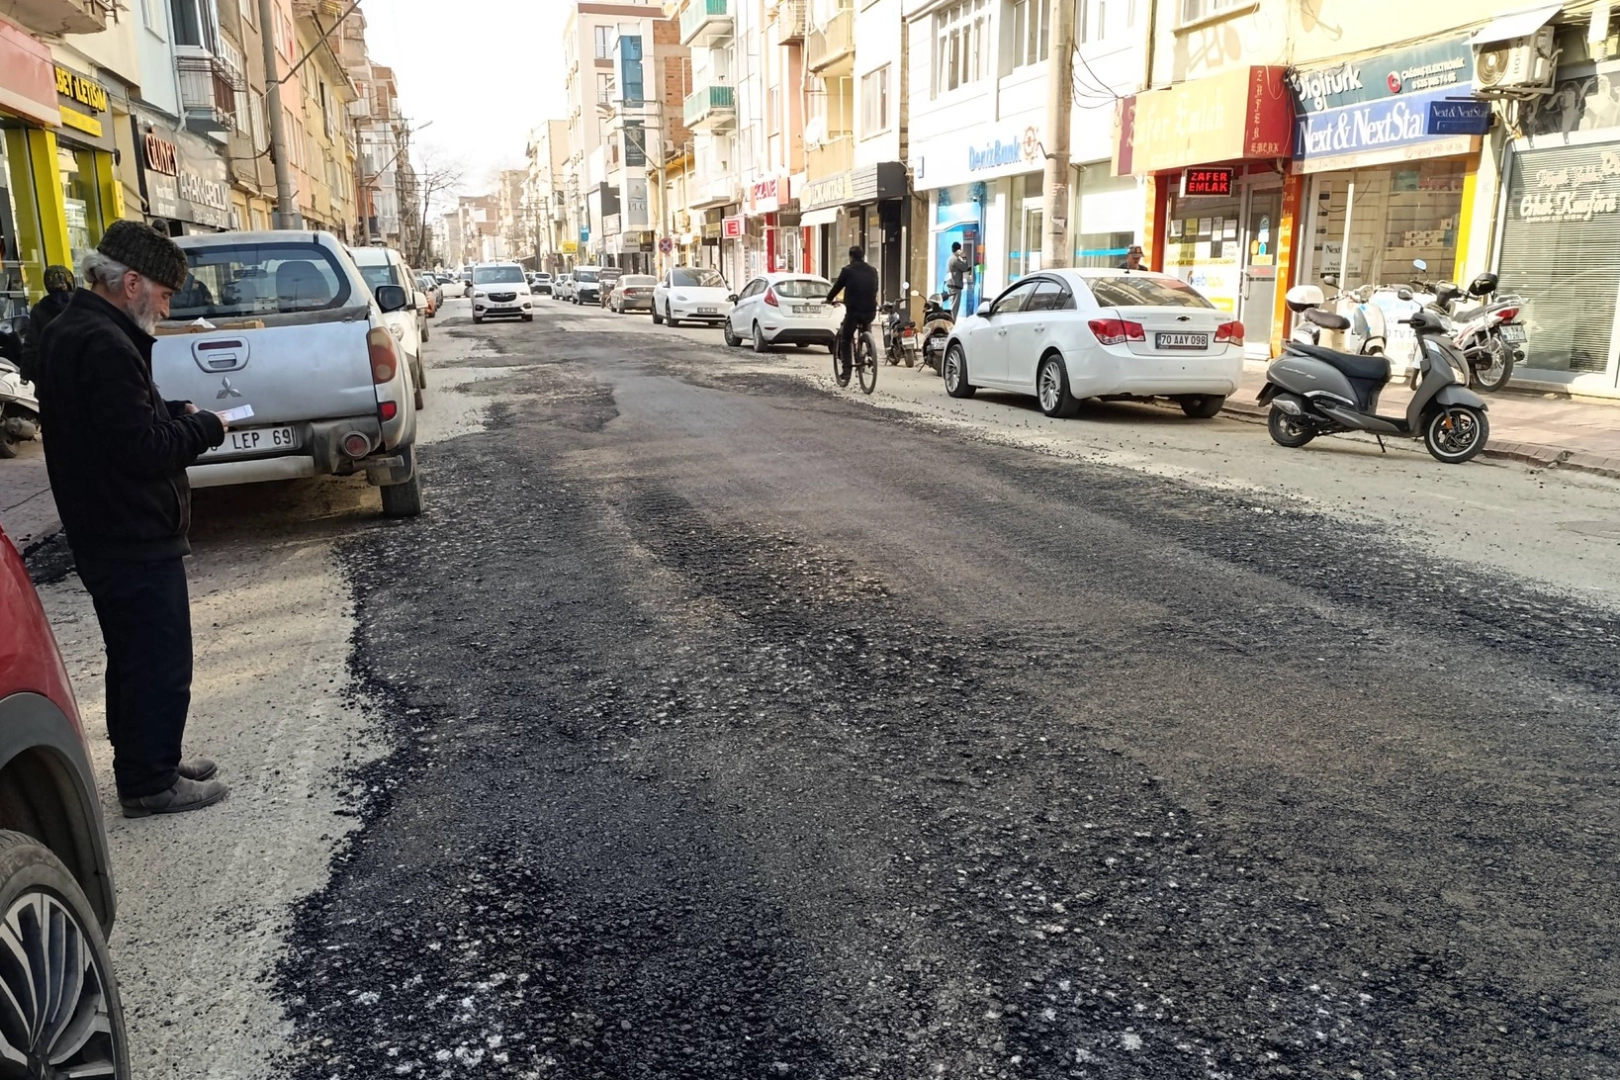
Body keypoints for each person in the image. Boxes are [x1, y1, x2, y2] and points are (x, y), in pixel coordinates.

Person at [37, 221, 231, 818]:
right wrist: (205, 427)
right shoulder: (104, 342)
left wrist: (170, 410)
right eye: (164, 295)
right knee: (158, 659)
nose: (166, 309)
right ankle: (150, 782)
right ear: (131, 283)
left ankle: (149, 761)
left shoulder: (80, 328)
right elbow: (141, 450)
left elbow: (111, 422)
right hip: (129, 528)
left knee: (133, 656)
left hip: (106, 525)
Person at [826, 245, 880, 384]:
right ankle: (869, 350)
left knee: (845, 338)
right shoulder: (873, 270)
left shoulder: (847, 271)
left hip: (854, 311)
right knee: (866, 327)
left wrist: (829, 299)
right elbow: (875, 288)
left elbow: (837, 287)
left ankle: (846, 371)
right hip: (870, 311)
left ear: (850, 256)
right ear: (863, 256)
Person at [17, 265, 76, 386]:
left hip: (50, 374)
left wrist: (26, 373)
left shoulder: (39, 309)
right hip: (81, 370)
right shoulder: (83, 304)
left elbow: (32, 344)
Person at [946, 241, 972, 318]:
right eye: (960, 249)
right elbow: (965, 267)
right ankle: (952, 324)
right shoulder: (955, 259)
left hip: (952, 286)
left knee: (953, 307)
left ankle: (951, 322)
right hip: (955, 287)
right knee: (954, 309)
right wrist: (964, 257)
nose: (961, 251)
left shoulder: (950, 258)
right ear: (958, 250)